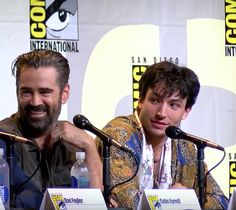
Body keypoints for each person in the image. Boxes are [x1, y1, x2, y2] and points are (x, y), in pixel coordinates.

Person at [96, 61, 228, 209]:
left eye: (173, 105)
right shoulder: (119, 134)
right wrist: (172, 200)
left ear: (186, 111)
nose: (161, 113)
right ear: (140, 101)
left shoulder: (186, 146)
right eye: (155, 100)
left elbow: (220, 201)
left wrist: (184, 201)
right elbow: (127, 203)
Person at [0, 49, 102, 209]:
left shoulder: (75, 144)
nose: (35, 102)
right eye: (26, 92)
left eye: (44, 92)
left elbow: (95, 205)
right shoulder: (4, 138)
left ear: (64, 93)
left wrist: (89, 145)